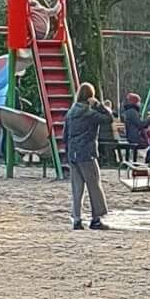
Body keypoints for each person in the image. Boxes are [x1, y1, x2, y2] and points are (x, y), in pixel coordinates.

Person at [62, 81, 111, 230]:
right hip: (87, 153)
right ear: (90, 96)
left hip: (73, 153)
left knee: (77, 188)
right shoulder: (89, 113)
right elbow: (108, 118)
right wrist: (98, 105)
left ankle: (77, 219)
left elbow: (65, 135)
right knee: (94, 185)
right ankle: (96, 218)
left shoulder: (70, 113)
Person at [120, 91, 150, 163]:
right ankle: (147, 160)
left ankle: (142, 159)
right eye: (138, 102)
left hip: (130, 135)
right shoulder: (132, 112)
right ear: (135, 102)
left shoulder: (128, 111)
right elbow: (140, 124)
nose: (139, 104)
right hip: (134, 137)